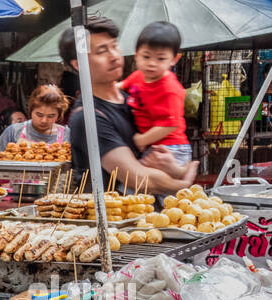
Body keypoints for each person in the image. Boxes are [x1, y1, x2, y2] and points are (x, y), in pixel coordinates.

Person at [59, 16, 195, 194]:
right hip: (111, 217)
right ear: (79, 64)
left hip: (147, 215)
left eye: (114, 46)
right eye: (102, 51)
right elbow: (137, 178)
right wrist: (184, 183)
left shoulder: (131, 97)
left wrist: (173, 166)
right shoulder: (88, 118)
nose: (114, 56)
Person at [122, 21, 191, 166]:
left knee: (139, 184)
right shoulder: (138, 76)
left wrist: (142, 140)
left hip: (171, 148)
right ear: (136, 54)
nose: (152, 63)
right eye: (146, 56)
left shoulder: (170, 89)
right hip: (152, 145)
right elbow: (118, 87)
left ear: (174, 59)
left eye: (160, 58)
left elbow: (169, 125)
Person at [0, 85, 69, 152]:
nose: (44, 120)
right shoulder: (13, 131)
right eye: (39, 115)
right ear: (31, 111)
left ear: (59, 115)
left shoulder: (66, 134)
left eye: (51, 116)